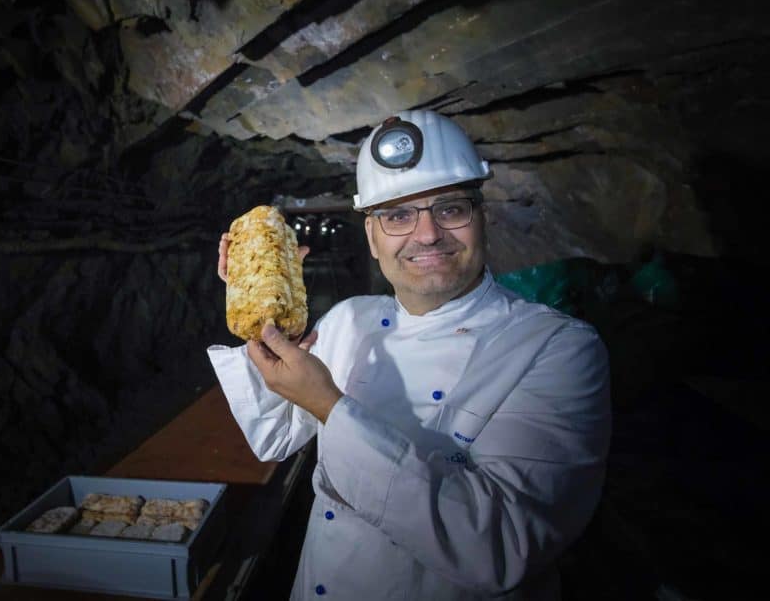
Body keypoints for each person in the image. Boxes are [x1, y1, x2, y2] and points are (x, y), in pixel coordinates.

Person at [207, 109, 611, 600]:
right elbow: (272, 438)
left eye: (450, 209)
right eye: (398, 215)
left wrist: (330, 407)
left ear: (483, 219)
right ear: (372, 239)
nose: (426, 234)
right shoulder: (348, 319)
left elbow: (501, 546)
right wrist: (253, 301)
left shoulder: (558, 349)